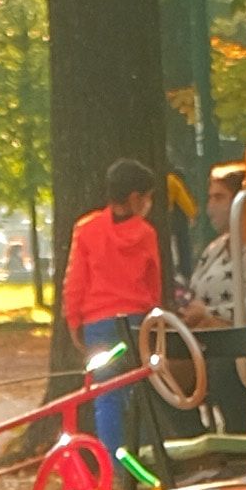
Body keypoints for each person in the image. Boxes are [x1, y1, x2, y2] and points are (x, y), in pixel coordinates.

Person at [59, 174, 168, 462]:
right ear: (135, 198)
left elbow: (76, 280)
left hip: (98, 323)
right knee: (139, 391)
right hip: (135, 321)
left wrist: (73, 319)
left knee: (106, 395)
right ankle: (143, 459)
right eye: (147, 197)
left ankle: (112, 464)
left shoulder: (87, 229)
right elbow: (153, 280)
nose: (149, 204)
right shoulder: (146, 234)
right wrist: (154, 315)